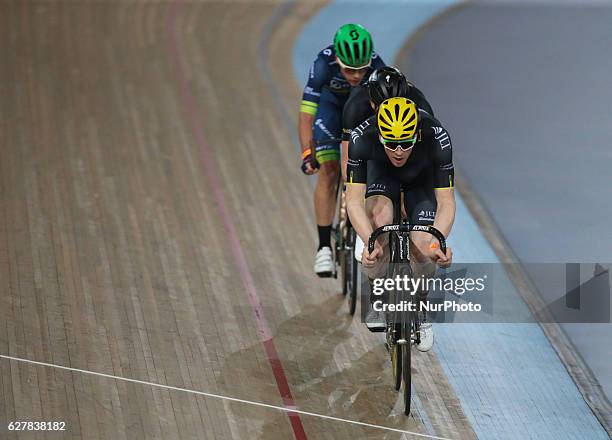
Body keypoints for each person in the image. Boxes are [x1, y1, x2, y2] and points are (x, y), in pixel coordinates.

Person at [345, 97, 456, 351]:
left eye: (405, 144)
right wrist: (369, 241)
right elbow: (353, 200)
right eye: (391, 143)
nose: (398, 151)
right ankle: (378, 292)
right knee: (379, 223)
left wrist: (438, 240)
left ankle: (420, 304)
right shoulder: (362, 137)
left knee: (424, 246)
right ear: (379, 135)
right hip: (381, 176)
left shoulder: (437, 137)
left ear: (417, 135)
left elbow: (446, 201)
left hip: (421, 181)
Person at [299, 23, 385, 277]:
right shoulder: (323, 64)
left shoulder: (378, 67)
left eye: (361, 70)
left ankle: (361, 226)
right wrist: (307, 152)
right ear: (337, 59)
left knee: (367, 171)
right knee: (329, 170)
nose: (356, 76)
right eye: (349, 69)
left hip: (361, 113)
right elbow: (306, 114)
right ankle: (324, 247)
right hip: (331, 112)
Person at [340, 66, 434, 181]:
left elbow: (430, 157)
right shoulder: (355, 107)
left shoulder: (420, 105)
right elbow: (347, 161)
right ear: (372, 103)